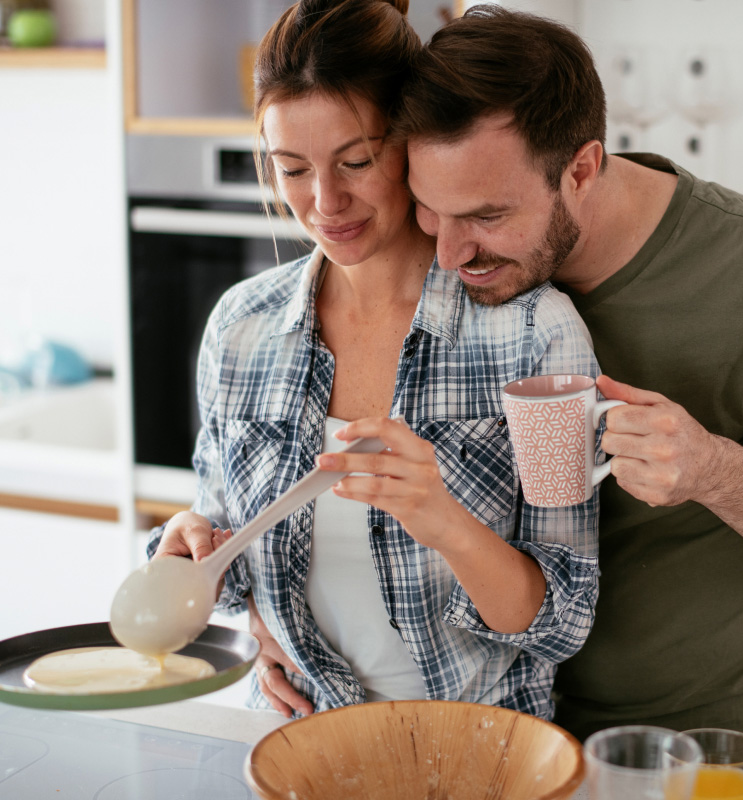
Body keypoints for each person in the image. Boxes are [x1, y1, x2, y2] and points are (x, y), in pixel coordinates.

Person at [389, 5, 743, 793]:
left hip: (701, 757)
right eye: (432, 211)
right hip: (497, 739)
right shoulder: (448, 259)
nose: (451, 252)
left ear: (581, 168)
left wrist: (713, 470)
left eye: (487, 216)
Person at [147, 0, 601, 723]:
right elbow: (225, 537)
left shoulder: (540, 336)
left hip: (475, 753)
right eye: (292, 168)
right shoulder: (238, 328)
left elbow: (563, 617)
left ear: (411, 147)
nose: (326, 202)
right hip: (296, 742)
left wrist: (444, 519)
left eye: (356, 161)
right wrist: (191, 554)